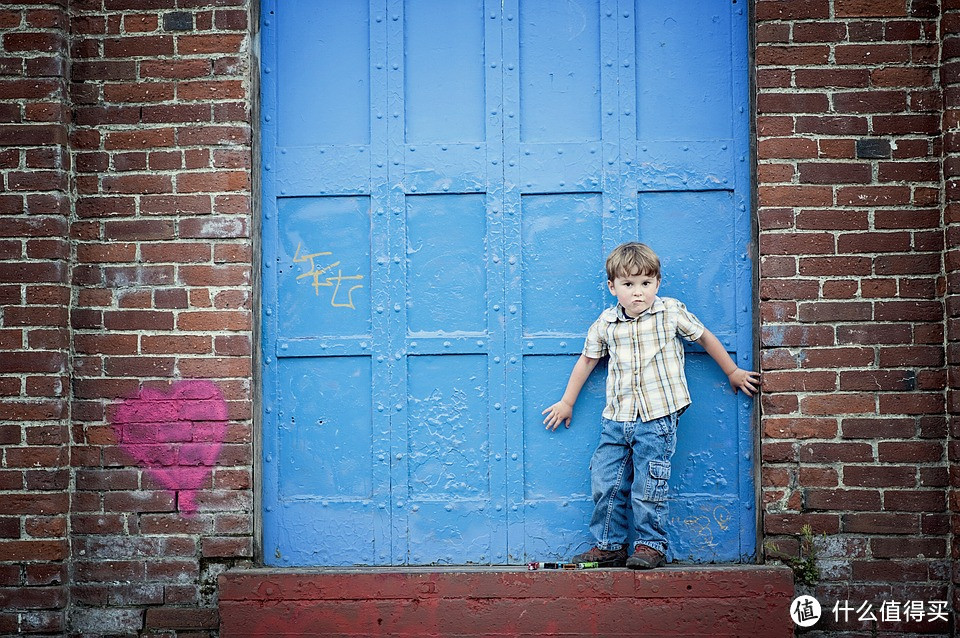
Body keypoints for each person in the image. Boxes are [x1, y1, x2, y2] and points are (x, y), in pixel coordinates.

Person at [542, 242, 760, 569]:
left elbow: (704, 337)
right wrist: (567, 402)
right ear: (613, 287)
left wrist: (732, 371)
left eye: (646, 283)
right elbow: (587, 361)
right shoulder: (606, 323)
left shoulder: (670, 312)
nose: (638, 293)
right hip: (616, 418)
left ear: (657, 283)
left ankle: (650, 545)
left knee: (649, 483)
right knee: (605, 481)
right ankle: (610, 545)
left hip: (657, 418)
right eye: (628, 285)